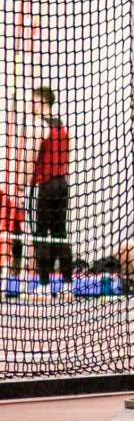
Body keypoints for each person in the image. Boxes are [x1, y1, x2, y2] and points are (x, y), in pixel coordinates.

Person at [18, 86, 74, 301]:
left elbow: (30, 160)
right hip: (62, 183)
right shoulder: (63, 126)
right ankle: (67, 286)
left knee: (40, 235)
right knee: (60, 234)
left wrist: (22, 186)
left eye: (33, 101)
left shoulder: (38, 126)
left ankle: (43, 286)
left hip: (44, 186)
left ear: (42, 101)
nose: (31, 105)